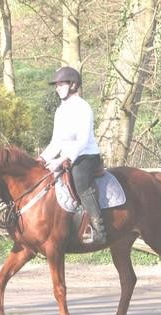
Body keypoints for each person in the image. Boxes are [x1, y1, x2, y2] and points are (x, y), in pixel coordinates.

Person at [37, 66, 106, 245]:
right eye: (56, 85)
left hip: (86, 156)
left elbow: (82, 141)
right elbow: (56, 142)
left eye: (61, 84)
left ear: (73, 85)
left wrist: (62, 159)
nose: (57, 88)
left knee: (79, 180)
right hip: (66, 157)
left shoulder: (83, 108)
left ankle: (99, 230)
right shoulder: (60, 111)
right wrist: (42, 159)